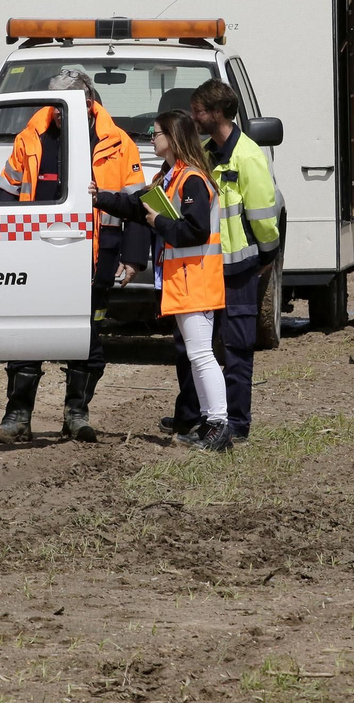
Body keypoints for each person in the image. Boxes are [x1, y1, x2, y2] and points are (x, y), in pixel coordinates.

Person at [0, 68, 149, 443]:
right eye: (55, 106)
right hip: (35, 258)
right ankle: (17, 418)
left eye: (67, 106)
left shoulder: (119, 143)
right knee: (27, 337)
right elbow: (3, 195)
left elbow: (137, 206)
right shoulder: (30, 137)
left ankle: (76, 414)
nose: (58, 112)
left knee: (89, 335)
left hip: (96, 258)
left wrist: (134, 258)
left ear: (89, 103)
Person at [94, 109, 233, 452]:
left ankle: (219, 424)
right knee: (197, 356)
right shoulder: (170, 177)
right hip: (184, 282)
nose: (151, 138)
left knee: (202, 356)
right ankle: (208, 422)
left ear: (172, 138)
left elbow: (194, 231)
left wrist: (158, 223)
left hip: (196, 281)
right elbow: (135, 206)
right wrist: (100, 197)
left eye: (155, 133)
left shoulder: (192, 180)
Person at [162, 78, 282, 444]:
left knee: (236, 348)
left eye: (198, 111)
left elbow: (264, 216)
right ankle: (202, 418)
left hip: (238, 269)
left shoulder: (247, 156)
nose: (194, 118)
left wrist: (266, 255)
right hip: (207, 266)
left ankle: (237, 426)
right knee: (195, 348)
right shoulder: (205, 154)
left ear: (216, 113)